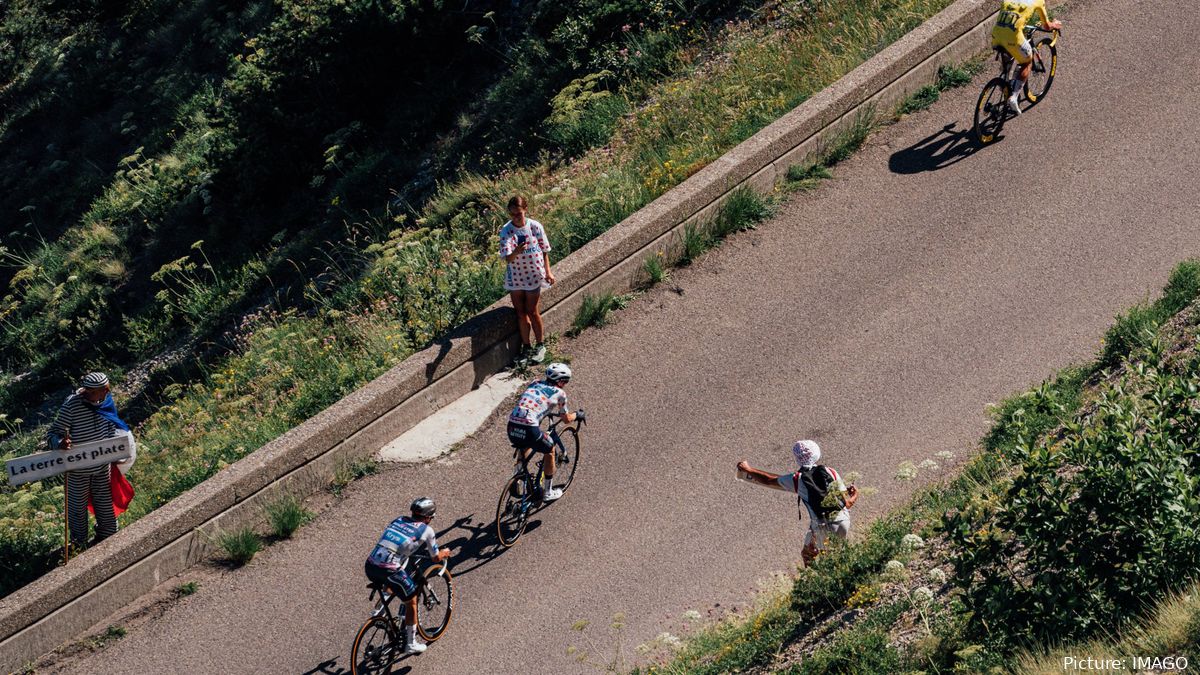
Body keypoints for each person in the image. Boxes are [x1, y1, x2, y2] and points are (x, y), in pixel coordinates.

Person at [737, 440, 858, 566]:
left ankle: (814, 583)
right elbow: (847, 503)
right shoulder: (830, 472)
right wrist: (855, 494)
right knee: (833, 557)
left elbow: (768, 480)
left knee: (812, 556)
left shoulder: (796, 479)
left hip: (822, 527)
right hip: (843, 521)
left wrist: (748, 469)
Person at [46, 372, 129, 550]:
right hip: (77, 470)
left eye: (92, 392)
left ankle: (108, 540)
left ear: (104, 390)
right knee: (77, 510)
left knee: (106, 506)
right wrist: (60, 443)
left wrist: (116, 449)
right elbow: (53, 433)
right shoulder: (72, 405)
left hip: (102, 467)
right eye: (86, 391)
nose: (87, 395)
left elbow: (112, 426)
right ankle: (79, 545)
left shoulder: (106, 401)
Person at [364, 497, 453, 655]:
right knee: (411, 600)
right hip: (389, 568)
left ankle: (379, 612)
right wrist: (445, 552)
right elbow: (435, 558)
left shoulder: (398, 520)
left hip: (370, 564)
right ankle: (411, 644)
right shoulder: (427, 530)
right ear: (427, 517)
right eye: (431, 518)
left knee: (393, 580)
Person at [506, 362, 584, 502]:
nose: (565, 384)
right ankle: (548, 493)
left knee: (525, 444)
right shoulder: (560, 393)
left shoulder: (534, 382)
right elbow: (566, 419)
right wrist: (577, 415)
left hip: (512, 425)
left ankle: (517, 475)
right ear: (560, 381)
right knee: (550, 449)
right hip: (529, 427)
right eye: (565, 381)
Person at [499, 195, 555, 364]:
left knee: (532, 311)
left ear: (525, 210)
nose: (516, 217)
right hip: (516, 277)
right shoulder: (506, 231)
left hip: (533, 274)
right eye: (513, 214)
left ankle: (540, 344)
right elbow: (507, 258)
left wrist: (548, 272)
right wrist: (517, 250)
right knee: (521, 313)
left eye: (519, 213)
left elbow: (545, 250)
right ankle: (526, 346)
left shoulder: (535, 226)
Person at [991, 0, 1062, 113]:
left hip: (996, 35)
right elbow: (1047, 26)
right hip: (1014, 37)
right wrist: (1055, 24)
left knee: (1008, 52)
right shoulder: (1038, 1)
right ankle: (1013, 97)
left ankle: (1004, 81)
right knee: (1026, 62)